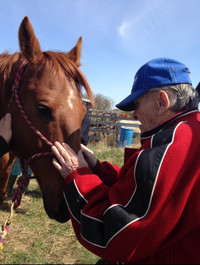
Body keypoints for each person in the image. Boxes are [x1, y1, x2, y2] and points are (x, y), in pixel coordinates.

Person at [51, 58, 200, 264]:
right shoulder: (185, 134)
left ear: (162, 101)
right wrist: (98, 168)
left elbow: (114, 233)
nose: (134, 115)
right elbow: (140, 192)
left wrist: (78, 175)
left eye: (136, 105)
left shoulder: (169, 147)